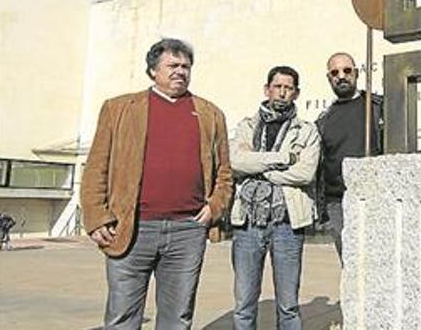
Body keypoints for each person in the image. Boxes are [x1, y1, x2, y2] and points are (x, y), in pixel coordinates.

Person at [80, 38, 233, 329]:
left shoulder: (210, 114)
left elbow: (224, 171)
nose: (180, 71)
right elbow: (97, 166)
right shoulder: (119, 108)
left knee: (178, 318)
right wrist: (96, 217)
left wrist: (215, 206)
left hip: (187, 231)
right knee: (122, 317)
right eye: (172, 65)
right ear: (153, 70)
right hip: (131, 227)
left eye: (186, 66)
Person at [229, 65, 321, 330]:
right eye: (277, 86)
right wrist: (281, 159)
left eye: (288, 88)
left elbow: (305, 173)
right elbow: (236, 161)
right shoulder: (247, 126)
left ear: (296, 93)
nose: (282, 92)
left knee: (289, 305)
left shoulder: (306, 130)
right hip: (248, 222)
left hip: (287, 223)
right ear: (267, 89)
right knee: (244, 304)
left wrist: (263, 172)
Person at [316, 52, 382, 259]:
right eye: (335, 72)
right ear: (329, 78)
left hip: (375, 199)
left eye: (347, 70)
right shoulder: (324, 120)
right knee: (352, 266)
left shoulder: (377, 107)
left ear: (357, 73)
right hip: (338, 203)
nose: (341, 76)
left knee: (378, 263)